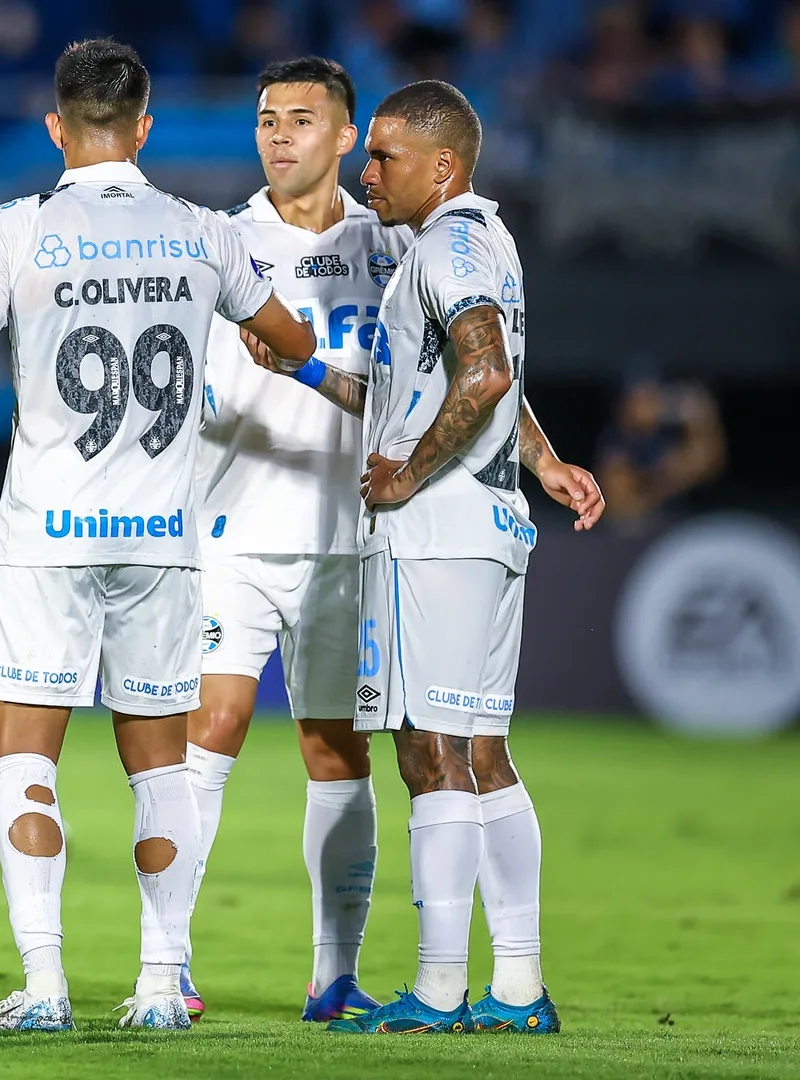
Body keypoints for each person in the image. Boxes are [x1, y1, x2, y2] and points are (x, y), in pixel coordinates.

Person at [0, 38, 320, 1032]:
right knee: (161, 769)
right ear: (145, 128)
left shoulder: (18, 228)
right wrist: (262, 334)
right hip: (159, 542)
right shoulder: (205, 231)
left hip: (44, 538)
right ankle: (161, 984)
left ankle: (43, 986)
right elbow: (293, 342)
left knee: (26, 763)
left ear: (56, 128)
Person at [249, 79, 604, 1035]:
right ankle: (520, 987)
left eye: (386, 156)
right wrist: (545, 458)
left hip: (434, 536)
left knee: (427, 753)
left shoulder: (442, 246)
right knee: (484, 754)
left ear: (442, 165)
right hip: (492, 524)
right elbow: (486, 374)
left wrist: (405, 475)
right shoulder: (486, 241)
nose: (369, 172)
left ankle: (440, 989)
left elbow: (482, 374)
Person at [182, 57, 411, 1023]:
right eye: (267, 119)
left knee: (335, 752)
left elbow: (435, 381)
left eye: (302, 120)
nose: (279, 135)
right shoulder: (220, 244)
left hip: (348, 543)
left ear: (346, 135)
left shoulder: (393, 250)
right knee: (210, 734)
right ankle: (169, 962)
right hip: (231, 533)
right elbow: (183, 393)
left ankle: (334, 975)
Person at [595, 375, 725, 525]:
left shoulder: (668, 433)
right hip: (635, 532)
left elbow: (706, 464)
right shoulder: (616, 442)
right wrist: (661, 480)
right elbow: (623, 506)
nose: (649, 407)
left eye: (652, 398)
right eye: (640, 400)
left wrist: (699, 418)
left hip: (680, 523)